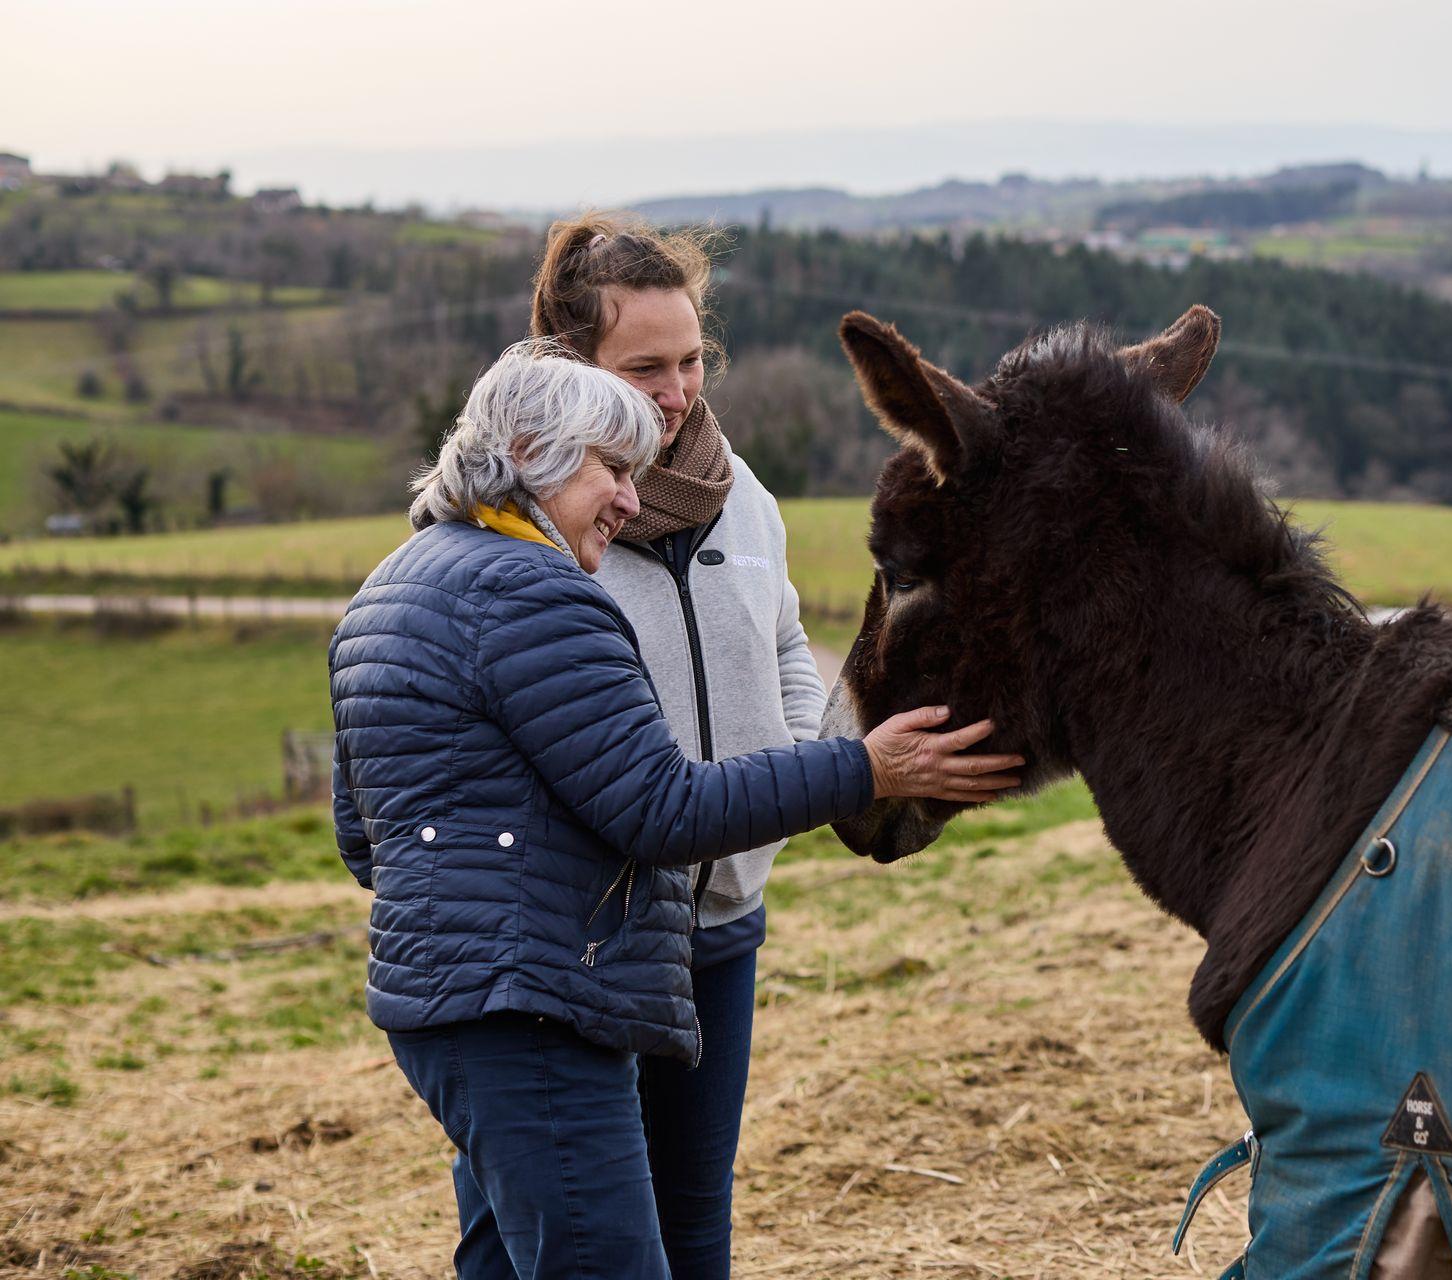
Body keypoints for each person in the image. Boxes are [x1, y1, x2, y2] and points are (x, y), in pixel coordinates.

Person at [329, 338, 1022, 1280]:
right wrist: (864, 769)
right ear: (531, 452)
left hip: (450, 1009)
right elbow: (664, 808)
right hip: (537, 1009)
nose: (627, 497)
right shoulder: (537, 596)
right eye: (612, 469)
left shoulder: (392, 588)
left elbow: (363, 837)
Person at [524, 214, 812, 1278]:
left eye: (690, 359)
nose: (678, 389)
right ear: (571, 366)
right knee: (562, 1233)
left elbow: (784, 638)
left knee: (696, 1222)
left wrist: (783, 781)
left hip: (723, 924)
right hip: (582, 938)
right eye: (644, 366)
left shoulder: (747, 497)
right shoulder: (532, 515)